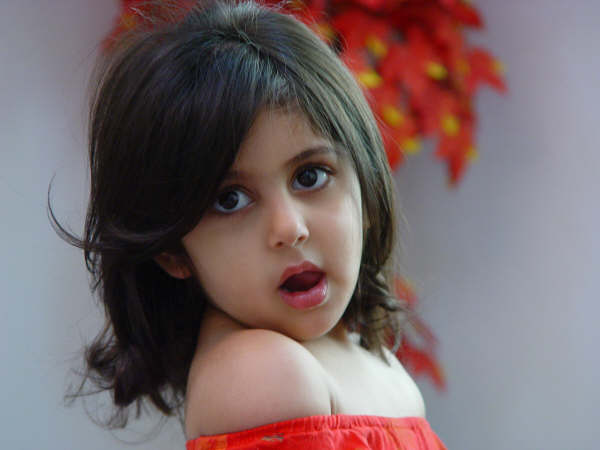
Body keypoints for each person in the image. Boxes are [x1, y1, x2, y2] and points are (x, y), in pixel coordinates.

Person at [50, 1, 447, 448]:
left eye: (310, 176)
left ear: (366, 187)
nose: (288, 228)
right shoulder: (264, 374)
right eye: (230, 200)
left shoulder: (367, 357)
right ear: (173, 251)